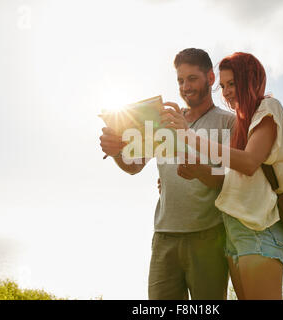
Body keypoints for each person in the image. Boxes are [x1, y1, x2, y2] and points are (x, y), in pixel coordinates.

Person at [99, 48, 236, 300]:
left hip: (208, 237)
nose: (185, 87)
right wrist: (117, 151)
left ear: (210, 78)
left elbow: (230, 183)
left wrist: (199, 171)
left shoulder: (227, 122)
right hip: (164, 236)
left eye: (192, 79)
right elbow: (134, 165)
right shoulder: (163, 120)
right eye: (180, 80)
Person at [162, 52, 283, 300]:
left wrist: (189, 136)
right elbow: (233, 176)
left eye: (232, 83)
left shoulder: (268, 108)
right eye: (223, 86)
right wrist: (187, 175)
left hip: (260, 227)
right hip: (235, 228)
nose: (225, 92)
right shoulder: (245, 120)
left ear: (251, 79)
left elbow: (248, 163)